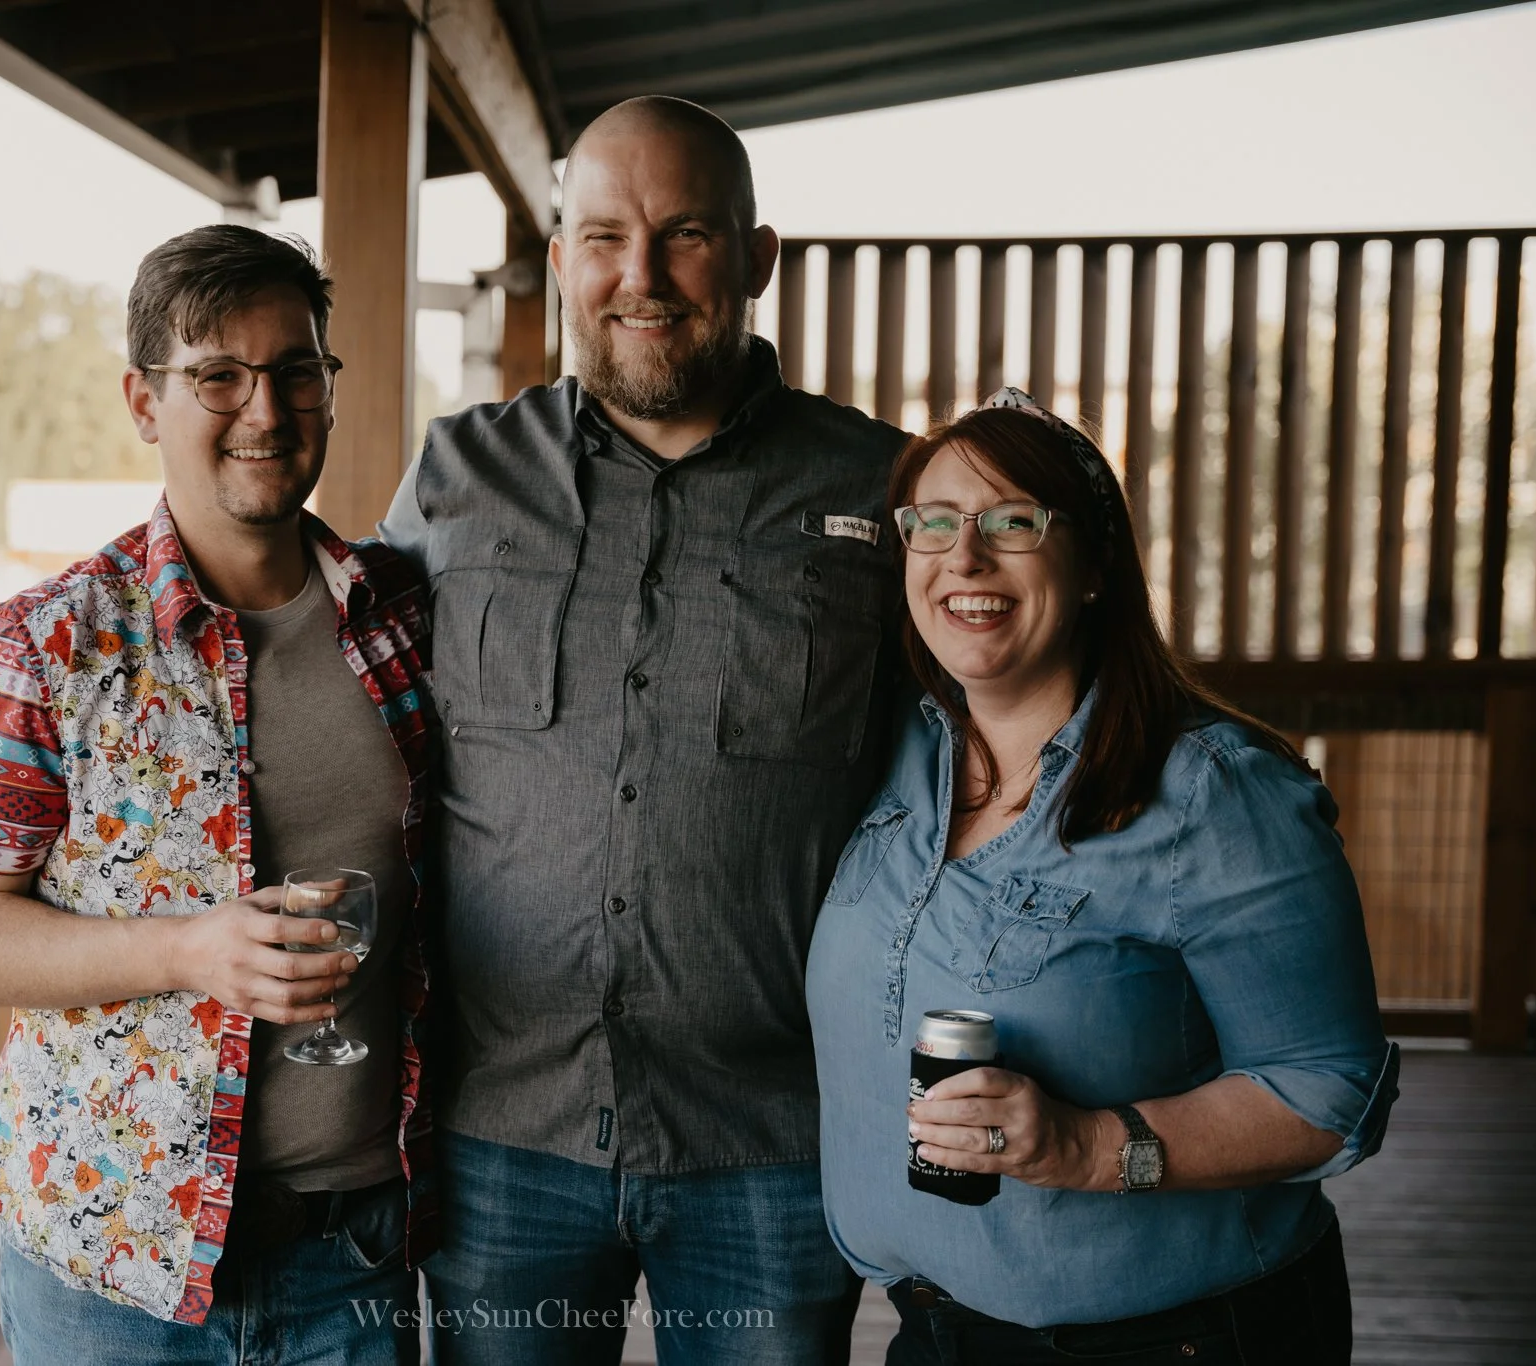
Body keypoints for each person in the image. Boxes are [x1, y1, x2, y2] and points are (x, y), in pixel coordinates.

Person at [380, 96, 903, 1365]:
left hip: (770, 1142)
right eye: (604, 237)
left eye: (684, 236)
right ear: (561, 262)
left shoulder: (880, 487)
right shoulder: (454, 479)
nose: (641, 277)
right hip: (504, 1131)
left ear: (756, 257)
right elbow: (345, 724)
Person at [0, 225, 436, 1366]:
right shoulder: (37, 646)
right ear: (145, 401)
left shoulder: (405, 616)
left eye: (297, 369)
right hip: (116, 1267)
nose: (265, 408)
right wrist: (190, 950)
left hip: (353, 1249)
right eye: (217, 376)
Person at [806, 389, 1398, 1365]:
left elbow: (1325, 1093)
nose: (964, 557)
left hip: (1180, 1339)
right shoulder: (897, 753)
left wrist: (1079, 1145)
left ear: (1090, 567)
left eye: (1011, 521)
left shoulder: (1217, 794)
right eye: (934, 523)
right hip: (935, 1325)